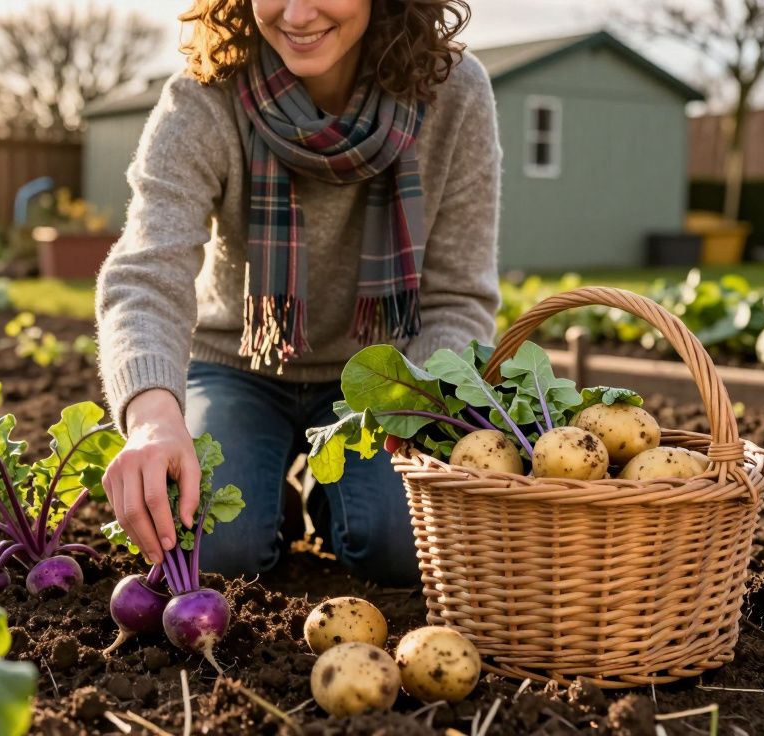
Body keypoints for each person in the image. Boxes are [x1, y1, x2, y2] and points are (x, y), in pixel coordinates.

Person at [96, 0, 500, 586]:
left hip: (385, 377)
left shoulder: (454, 92)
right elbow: (145, 273)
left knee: (403, 546)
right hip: (236, 366)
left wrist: (420, 406)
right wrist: (154, 415)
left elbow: (458, 296)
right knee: (211, 546)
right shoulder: (205, 94)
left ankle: (334, 497)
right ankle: (269, 498)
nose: (298, 12)